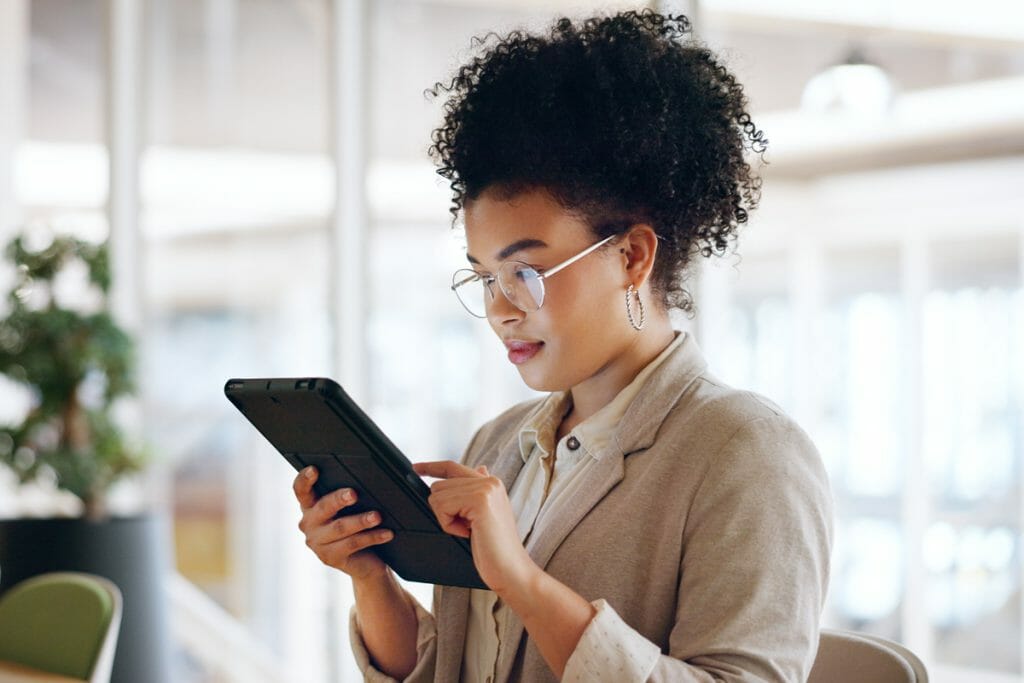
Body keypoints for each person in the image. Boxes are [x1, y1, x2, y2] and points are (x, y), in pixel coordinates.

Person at [293, 9, 833, 682]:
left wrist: (521, 580)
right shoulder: (499, 445)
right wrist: (371, 575)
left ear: (632, 256)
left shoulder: (747, 453)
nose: (499, 309)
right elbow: (454, 669)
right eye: (484, 277)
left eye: (525, 272)